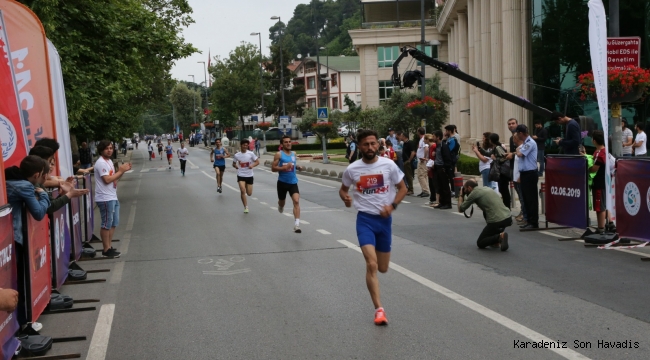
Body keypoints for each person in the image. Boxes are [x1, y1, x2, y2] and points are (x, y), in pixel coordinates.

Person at [339, 130, 407, 326]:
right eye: (366, 144)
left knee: (383, 268)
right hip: (365, 221)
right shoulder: (352, 169)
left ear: (377, 145)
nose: (370, 148)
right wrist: (345, 198)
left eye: (373, 144)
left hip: (384, 222)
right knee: (372, 264)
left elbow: (403, 188)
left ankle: (378, 304)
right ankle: (379, 310)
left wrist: (392, 206)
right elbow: (343, 189)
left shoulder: (389, 165)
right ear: (359, 146)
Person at [5, 155, 50, 331]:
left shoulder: (9, 179)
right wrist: (44, 194)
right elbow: (38, 212)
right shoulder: (24, 186)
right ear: (37, 174)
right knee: (19, 282)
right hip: (16, 238)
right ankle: (23, 324)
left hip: (7, 239)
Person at [94, 140, 132, 257]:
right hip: (105, 197)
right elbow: (107, 180)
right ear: (101, 150)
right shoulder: (101, 163)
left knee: (113, 222)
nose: (109, 150)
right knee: (106, 223)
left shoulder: (109, 161)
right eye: (107, 148)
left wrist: (122, 171)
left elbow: (114, 178)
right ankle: (106, 249)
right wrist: (120, 171)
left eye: (111, 148)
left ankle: (109, 246)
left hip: (112, 196)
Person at [457, 180, 512, 251]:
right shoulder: (485, 188)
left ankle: (499, 237)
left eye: (465, 188)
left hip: (496, 221)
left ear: (469, 188)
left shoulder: (474, 193)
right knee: (486, 212)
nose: (464, 190)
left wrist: (461, 195)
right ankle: (496, 242)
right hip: (507, 218)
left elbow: (461, 208)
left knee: (480, 242)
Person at [272, 135, 305, 233]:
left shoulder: (293, 154)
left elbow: (292, 165)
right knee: (282, 202)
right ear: (282, 144)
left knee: (296, 201)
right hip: (282, 183)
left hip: (293, 182)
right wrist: (283, 168)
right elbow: (273, 168)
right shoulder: (279, 154)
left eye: (289, 141)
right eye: (286, 142)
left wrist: (297, 167)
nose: (288, 143)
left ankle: (297, 225)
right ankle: (280, 205)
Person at [515, 125, 539, 229]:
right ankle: (528, 220)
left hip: (530, 173)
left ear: (521, 133)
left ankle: (534, 222)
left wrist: (517, 150)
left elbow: (520, 154)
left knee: (531, 199)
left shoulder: (530, 143)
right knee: (525, 198)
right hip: (525, 173)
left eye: (517, 133)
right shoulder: (525, 143)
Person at [589, 131, 609, 233]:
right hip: (604, 182)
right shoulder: (602, 151)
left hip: (599, 183)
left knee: (599, 206)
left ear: (594, 141)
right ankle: (609, 224)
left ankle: (601, 228)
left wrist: (587, 167)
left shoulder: (600, 153)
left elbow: (593, 169)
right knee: (604, 205)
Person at [233, 139, 260, 213]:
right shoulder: (237, 155)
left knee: (249, 193)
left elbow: (257, 162)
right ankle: (246, 207)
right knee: (242, 190)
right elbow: (234, 163)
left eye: (246, 145)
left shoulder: (251, 154)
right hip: (241, 174)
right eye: (244, 145)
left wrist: (252, 165)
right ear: (241, 145)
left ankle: (246, 203)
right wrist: (236, 166)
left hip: (249, 175)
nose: (245, 146)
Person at [490, 133, 511, 209]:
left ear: (491, 140)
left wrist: (495, 159)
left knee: (504, 190)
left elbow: (504, 157)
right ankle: (506, 206)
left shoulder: (498, 147)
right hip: (501, 172)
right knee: (502, 189)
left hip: (503, 172)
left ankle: (507, 207)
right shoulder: (496, 147)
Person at [432, 130, 452, 209]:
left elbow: (447, 158)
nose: (433, 138)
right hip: (437, 168)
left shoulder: (444, 146)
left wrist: (444, 168)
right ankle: (441, 202)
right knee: (439, 186)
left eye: (434, 136)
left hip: (442, 168)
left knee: (445, 187)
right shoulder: (436, 145)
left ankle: (448, 203)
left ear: (438, 137)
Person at [415, 127, 430, 198]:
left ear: (419, 132)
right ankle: (424, 190)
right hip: (421, 160)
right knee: (423, 175)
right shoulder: (422, 139)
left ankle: (425, 190)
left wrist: (424, 157)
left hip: (422, 161)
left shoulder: (423, 139)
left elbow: (426, 148)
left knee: (421, 175)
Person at [424, 134, 438, 206]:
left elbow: (435, 156)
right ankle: (432, 198)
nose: (423, 140)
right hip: (430, 166)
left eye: (424, 139)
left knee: (433, 184)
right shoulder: (430, 146)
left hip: (433, 167)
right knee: (431, 183)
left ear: (427, 139)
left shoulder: (434, 146)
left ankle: (435, 199)